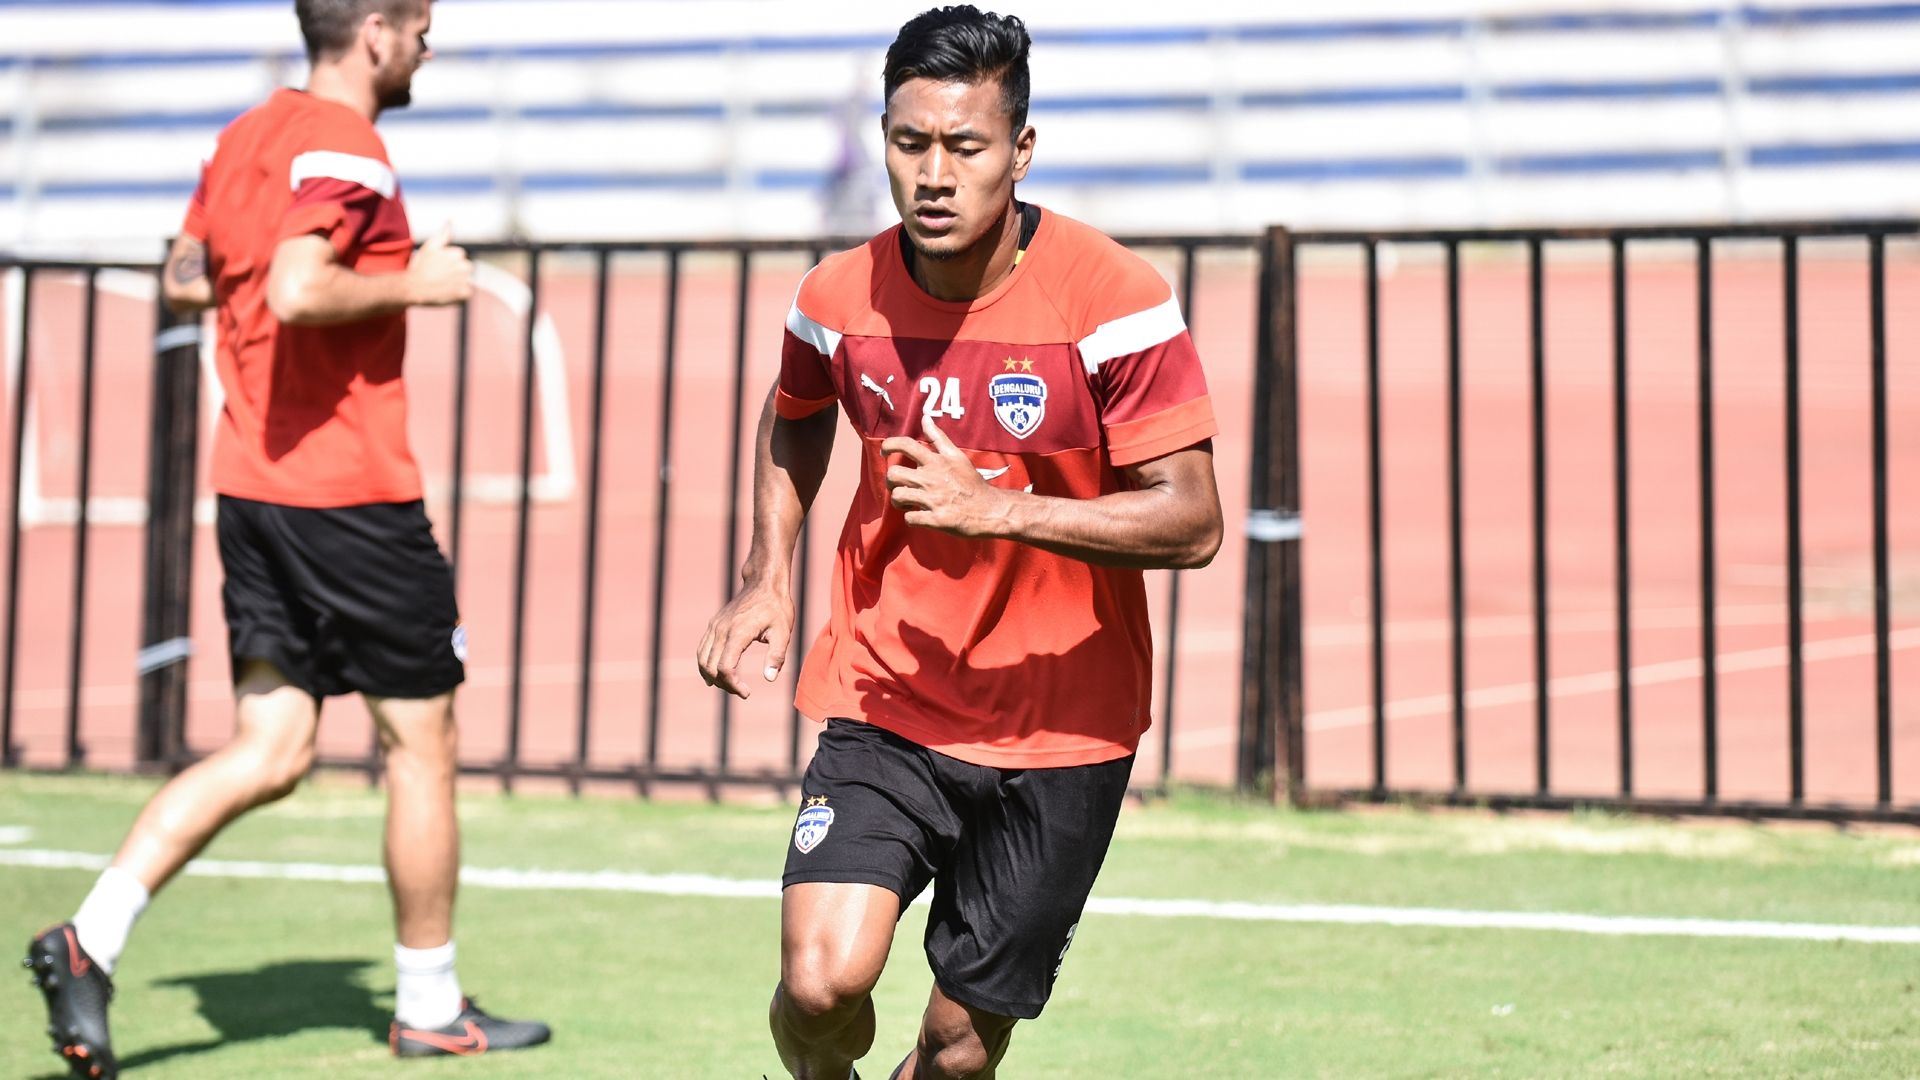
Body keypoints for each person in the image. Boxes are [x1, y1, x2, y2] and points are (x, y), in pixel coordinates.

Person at [697, 7, 1224, 1078]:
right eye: (909, 143)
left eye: (965, 147)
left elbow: (1194, 517)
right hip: (888, 689)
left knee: (955, 1055)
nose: (934, 174)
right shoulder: (835, 300)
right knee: (818, 984)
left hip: (1064, 724)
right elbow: (796, 410)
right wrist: (768, 576)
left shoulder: (1115, 300)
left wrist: (1005, 510)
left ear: (1019, 151)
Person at [22, 2, 549, 1075]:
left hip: (250, 482)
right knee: (422, 742)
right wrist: (422, 283)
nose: (428, 47)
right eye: (420, 26)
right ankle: (429, 1006)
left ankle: (91, 938)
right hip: (347, 496)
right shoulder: (349, 144)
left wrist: (256, 295)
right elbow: (303, 286)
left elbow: (182, 273)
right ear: (374, 32)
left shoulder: (246, 134)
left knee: (273, 749)